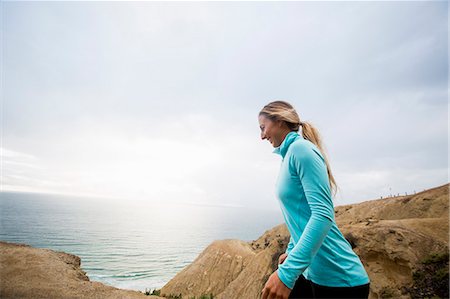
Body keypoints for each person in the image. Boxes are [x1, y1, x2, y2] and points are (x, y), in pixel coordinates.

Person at [259, 100, 371, 299]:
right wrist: (292, 252)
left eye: (263, 127)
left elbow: (322, 215)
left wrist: (287, 273)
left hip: (340, 280)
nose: (261, 136)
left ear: (279, 121)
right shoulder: (289, 156)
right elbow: (302, 215)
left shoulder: (301, 150)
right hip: (314, 275)